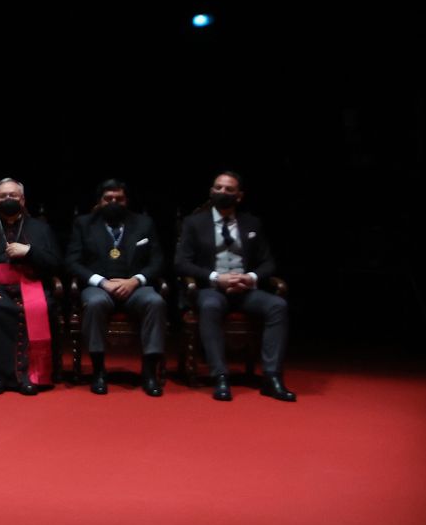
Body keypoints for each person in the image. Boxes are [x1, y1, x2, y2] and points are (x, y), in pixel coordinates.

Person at [174, 171, 297, 402]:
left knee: (277, 305)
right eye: (218, 188)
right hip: (211, 288)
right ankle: (220, 376)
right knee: (210, 306)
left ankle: (272, 377)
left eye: (229, 189)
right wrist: (214, 278)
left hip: (245, 289)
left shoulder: (252, 223)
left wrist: (250, 278)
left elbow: (268, 262)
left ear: (239, 196)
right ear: (211, 192)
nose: (222, 192)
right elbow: (181, 263)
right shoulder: (194, 223)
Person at [65, 179, 167, 396]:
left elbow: (157, 261)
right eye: (108, 199)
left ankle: (149, 372)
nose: (113, 202)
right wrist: (102, 282)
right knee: (94, 303)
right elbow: (72, 261)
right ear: (100, 201)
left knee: (155, 302)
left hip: (134, 286)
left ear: (126, 200)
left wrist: (135, 281)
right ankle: (99, 371)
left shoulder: (144, 223)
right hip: (100, 285)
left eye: (118, 199)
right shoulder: (83, 224)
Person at [0, 178, 61, 395]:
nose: (8, 199)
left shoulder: (40, 228)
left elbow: (55, 261)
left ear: (23, 199)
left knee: (37, 308)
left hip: (30, 285)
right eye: (3, 196)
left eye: (13, 195)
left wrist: (29, 252)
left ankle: (30, 376)